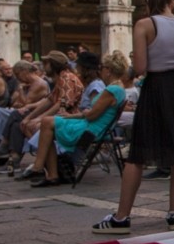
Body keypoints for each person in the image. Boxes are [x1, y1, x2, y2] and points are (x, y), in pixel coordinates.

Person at [93, 0, 174, 235]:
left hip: (158, 88)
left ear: (148, 2)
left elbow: (141, 67)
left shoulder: (145, 24)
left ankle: (122, 217)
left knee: (138, 153)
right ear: (171, 1)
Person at [27, 52, 128, 187]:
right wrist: (72, 116)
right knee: (48, 123)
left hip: (91, 130)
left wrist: (84, 113)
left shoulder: (111, 90)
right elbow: (92, 114)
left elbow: (92, 115)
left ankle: (41, 169)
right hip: (95, 126)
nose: (100, 70)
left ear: (108, 70)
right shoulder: (118, 88)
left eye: (102, 67)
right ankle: (44, 171)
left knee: (46, 123)